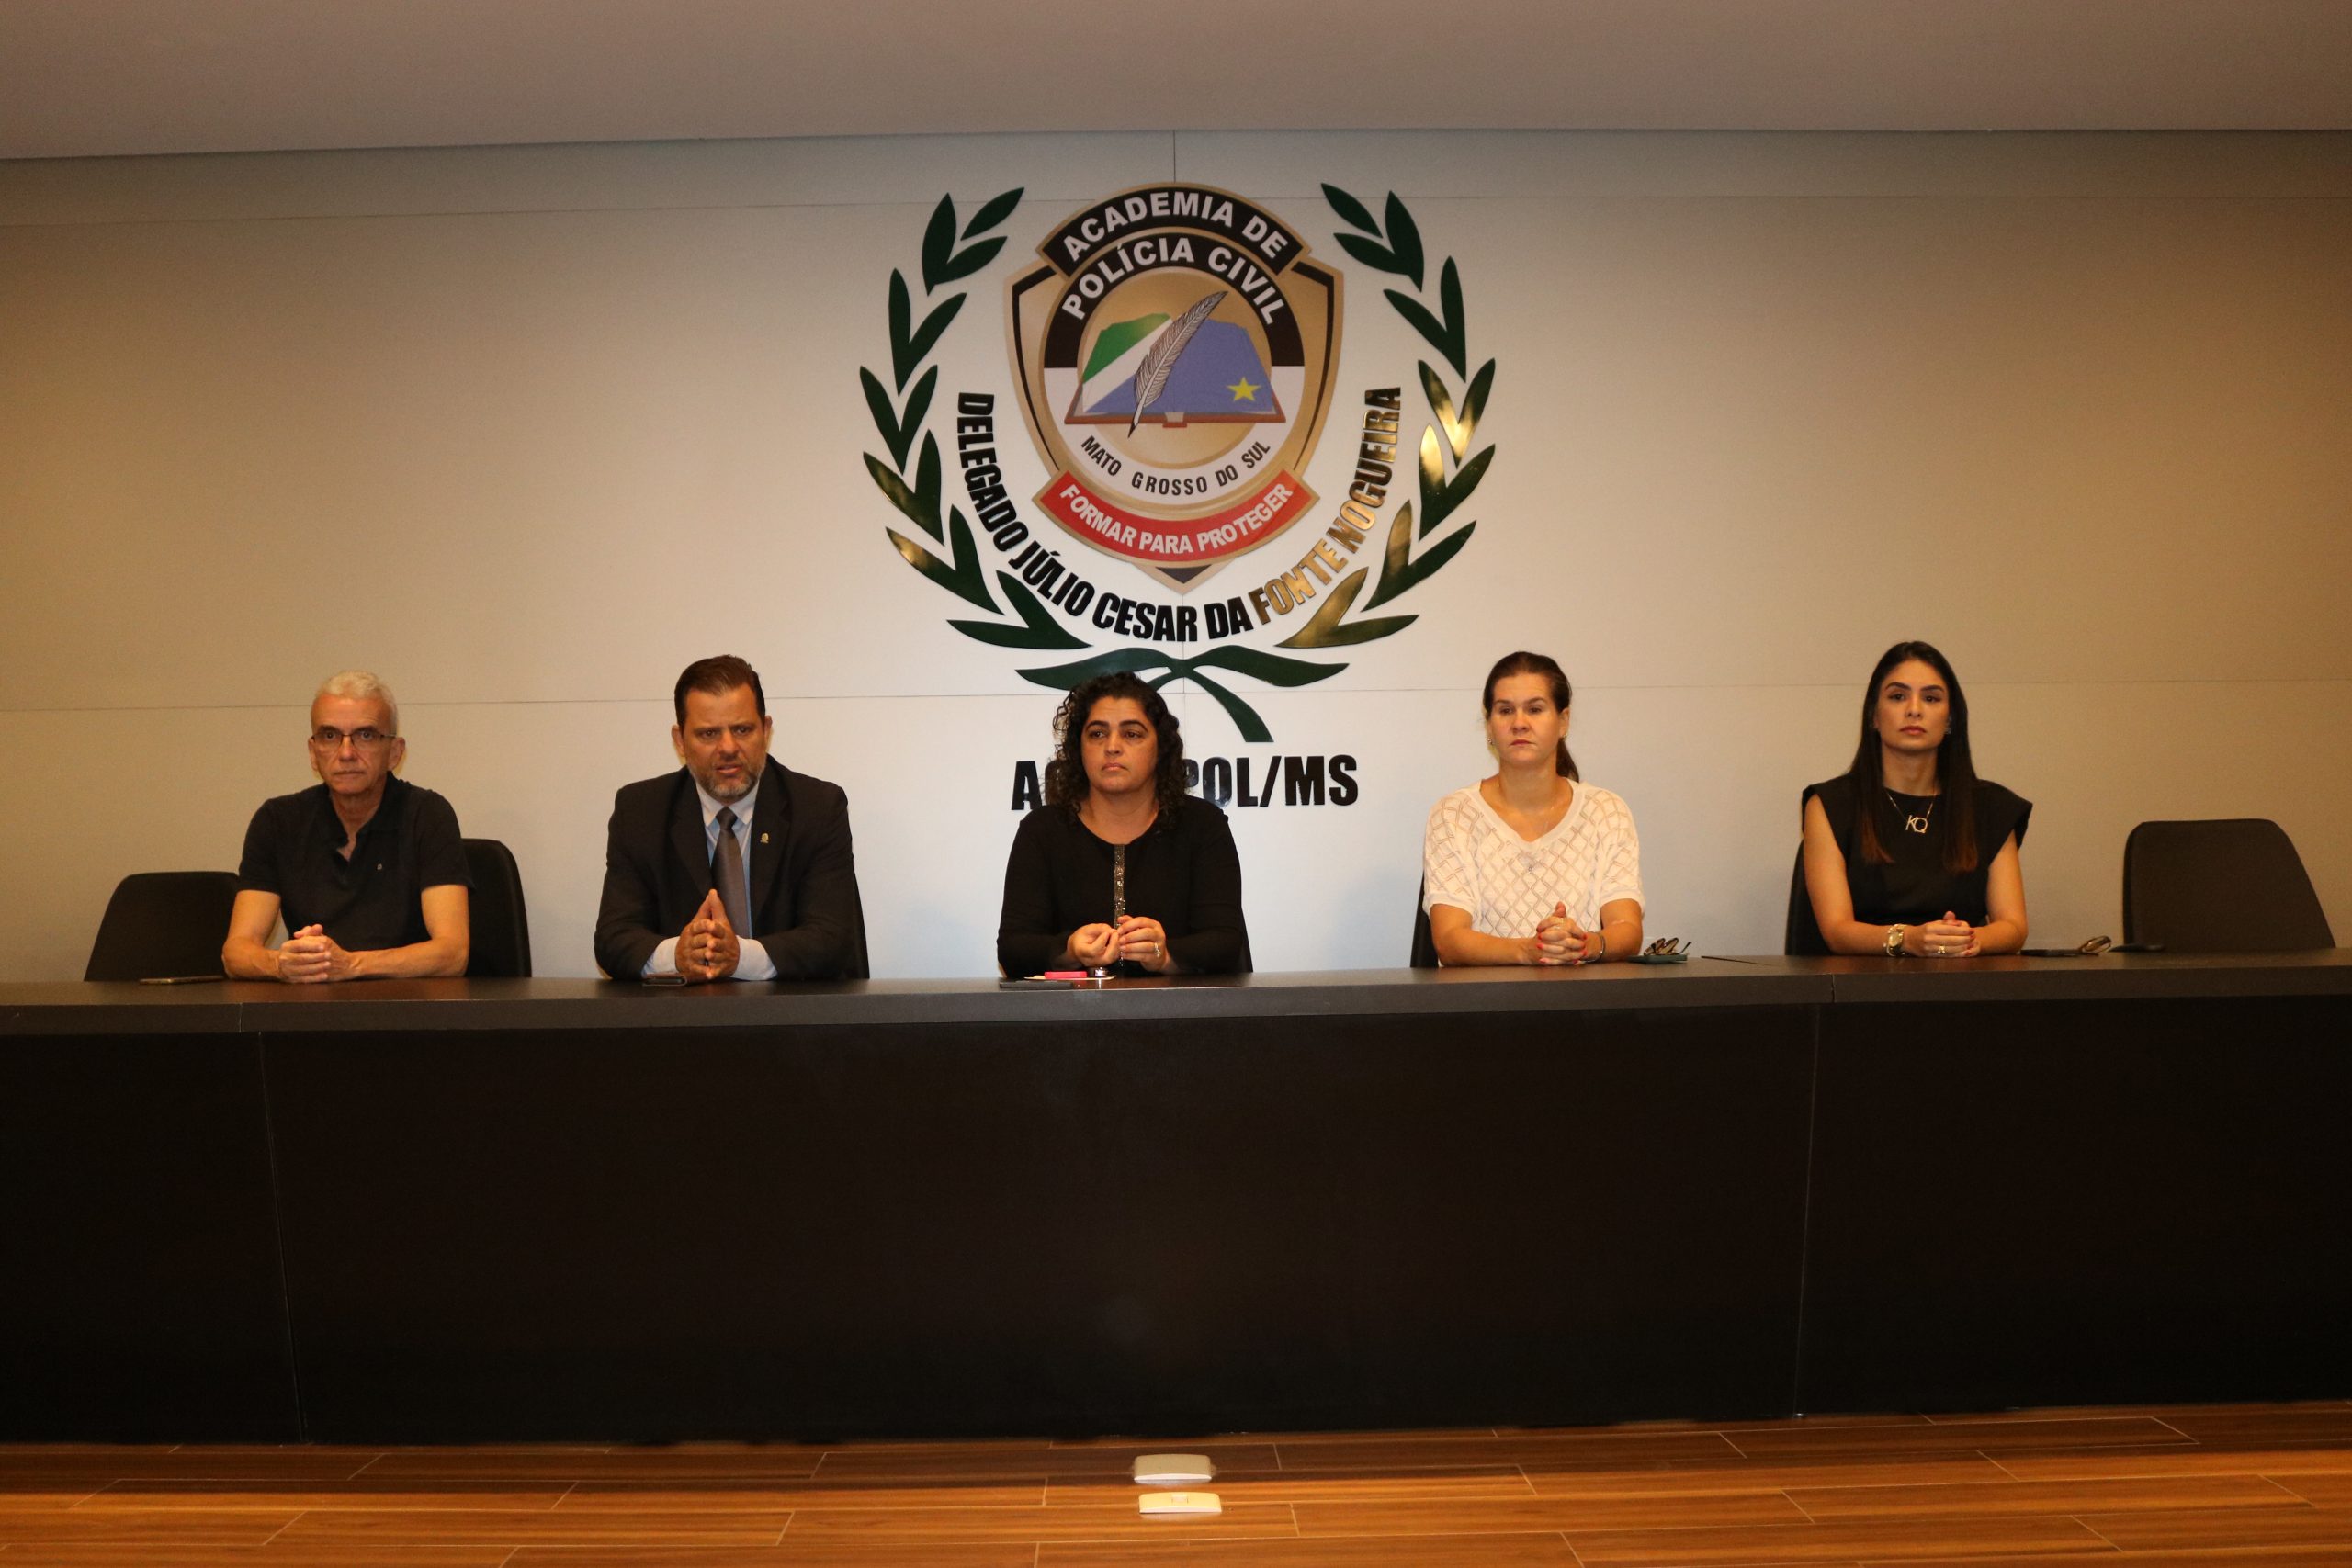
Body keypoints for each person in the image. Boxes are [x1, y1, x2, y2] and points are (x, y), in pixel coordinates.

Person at [594, 655, 864, 982]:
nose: (728, 747)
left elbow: (832, 938)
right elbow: (614, 938)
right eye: (709, 734)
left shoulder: (817, 807)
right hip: (683, 1012)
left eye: (742, 729)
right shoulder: (640, 812)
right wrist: (677, 954)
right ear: (680, 741)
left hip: (789, 1009)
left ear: (766, 730)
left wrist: (739, 957)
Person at [223, 671, 471, 982]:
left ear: (395, 752)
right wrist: (282, 964)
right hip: (313, 1005)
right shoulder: (277, 821)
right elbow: (235, 953)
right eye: (329, 736)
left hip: (408, 1003)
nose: (346, 753)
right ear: (313, 753)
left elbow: (453, 954)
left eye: (365, 736)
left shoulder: (428, 814)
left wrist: (351, 965)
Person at [997, 672, 1250, 976]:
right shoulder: (1043, 830)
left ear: (1161, 748)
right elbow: (1013, 948)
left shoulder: (1202, 825)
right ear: (1079, 748)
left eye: (1131, 734)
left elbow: (1224, 942)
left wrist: (1166, 956)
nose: (1112, 747)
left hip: (1179, 1006)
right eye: (1097, 734)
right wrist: (1069, 951)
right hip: (1074, 1007)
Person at [1797, 639, 2030, 958]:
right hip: (1861, 983)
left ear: (1950, 719)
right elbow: (1837, 931)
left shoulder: (1990, 806)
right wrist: (1908, 939)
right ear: (1874, 716)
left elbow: (2013, 927)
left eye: (1931, 698)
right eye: (1898, 696)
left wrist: (1963, 940)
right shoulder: (1830, 804)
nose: (1914, 709)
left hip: (1962, 979)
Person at [1422, 651, 1644, 966]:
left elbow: (1627, 929)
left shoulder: (1606, 811)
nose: (1519, 724)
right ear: (1489, 725)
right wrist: (1527, 950)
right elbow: (1449, 940)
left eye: (1535, 709)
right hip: (1485, 996)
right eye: (1505, 711)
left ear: (1563, 721)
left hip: (1587, 994)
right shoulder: (1454, 815)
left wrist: (1584, 944)